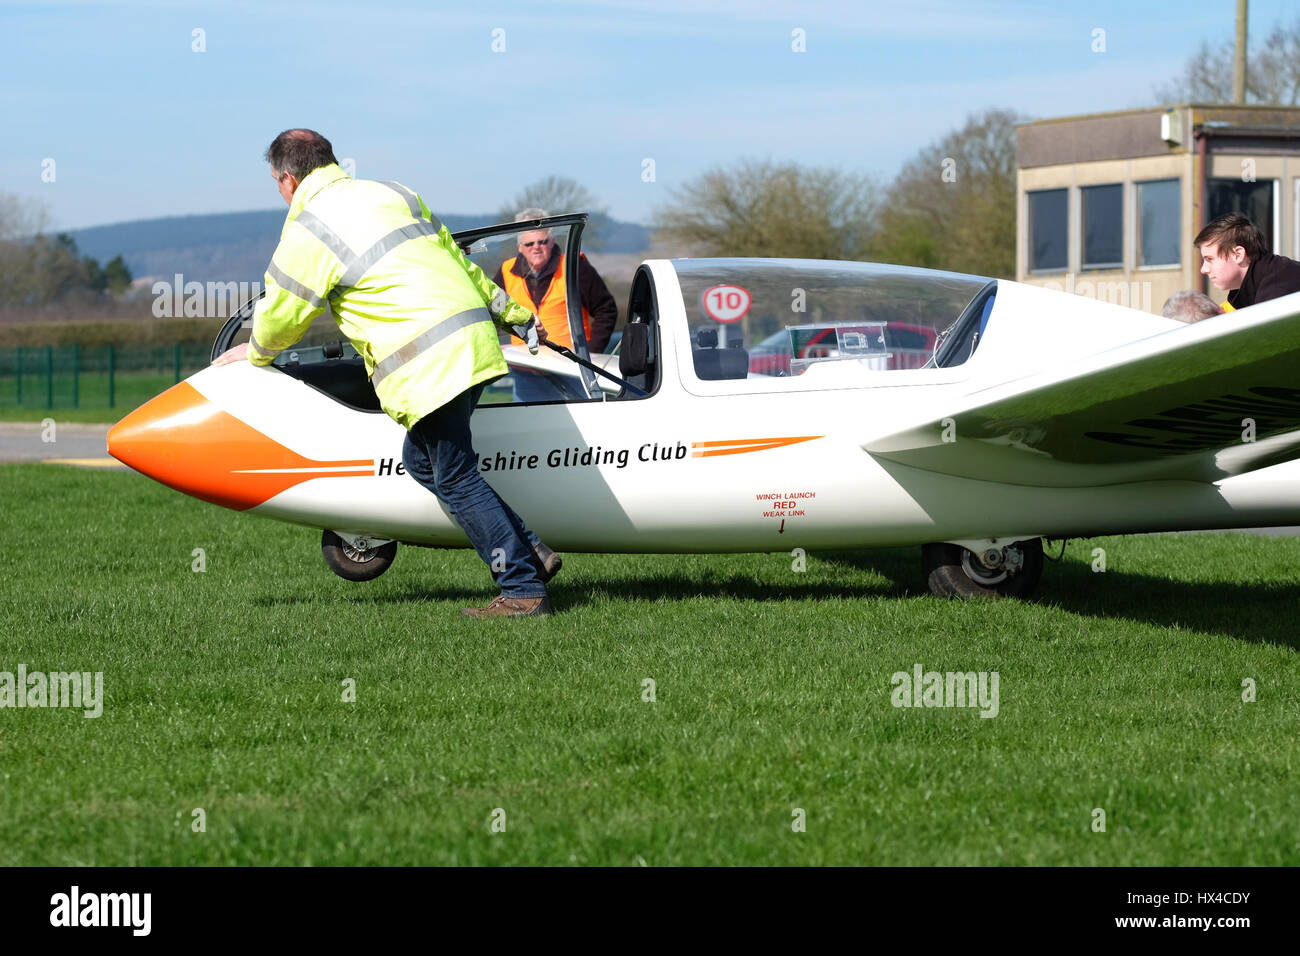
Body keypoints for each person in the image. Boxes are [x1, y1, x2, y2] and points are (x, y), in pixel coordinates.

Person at [213, 129, 560, 617]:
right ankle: (532, 554)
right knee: (423, 463)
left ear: (287, 179)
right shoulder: (394, 193)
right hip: (474, 344)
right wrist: (516, 315)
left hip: (429, 362)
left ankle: (523, 590)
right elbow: (461, 264)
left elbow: (282, 314)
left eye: (275, 181)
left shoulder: (308, 228)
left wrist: (255, 353)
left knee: (455, 476)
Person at [492, 207, 619, 355]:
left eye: (542, 242)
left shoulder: (574, 266)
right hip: (525, 367)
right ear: (520, 247)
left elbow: (606, 310)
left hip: (570, 366)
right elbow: (494, 314)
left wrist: (590, 355)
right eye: (529, 244)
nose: (536, 248)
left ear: (551, 241)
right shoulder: (506, 271)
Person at [1194, 213, 1300, 312]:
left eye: (1210, 259)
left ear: (1238, 255)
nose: (1204, 269)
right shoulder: (1267, 278)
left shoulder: (1275, 297)